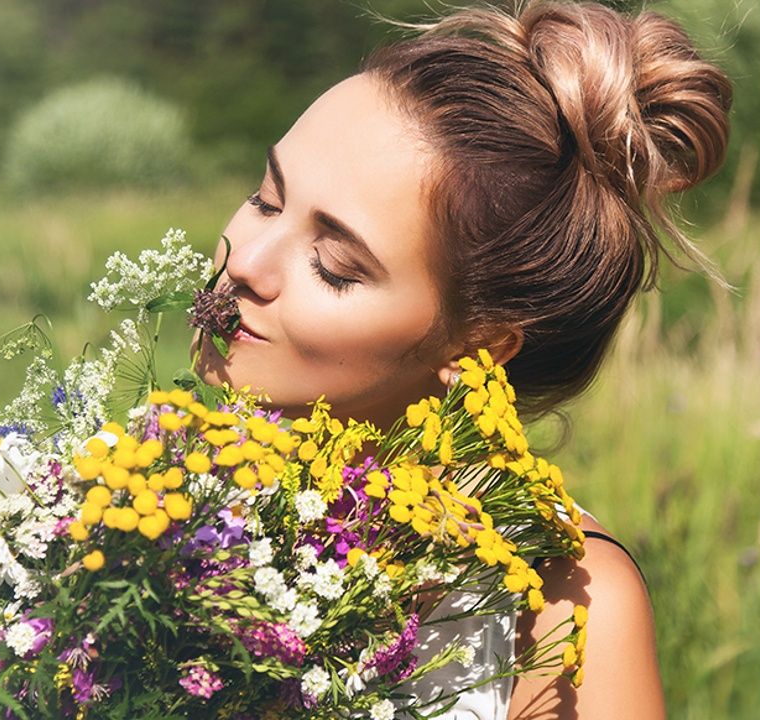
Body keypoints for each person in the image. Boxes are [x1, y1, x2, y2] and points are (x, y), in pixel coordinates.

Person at [195, 1, 732, 717]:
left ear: (479, 345)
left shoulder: (561, 605)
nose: (246, 263)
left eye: (334, 265)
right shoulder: (156, 490)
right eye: (266, 200)